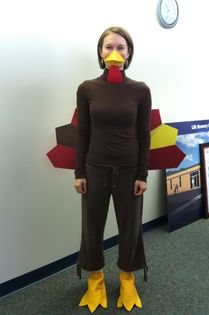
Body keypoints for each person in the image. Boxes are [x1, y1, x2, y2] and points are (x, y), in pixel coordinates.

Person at [74, 26, 152, 313]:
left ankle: (127, 279)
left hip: (130, 170)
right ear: (100, 52)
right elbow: (82, 133)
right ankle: (95, 281)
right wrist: (79, 172)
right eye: (109, 47)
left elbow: (145, 135)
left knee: (130, 228)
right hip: (94, 169)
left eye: (121, 47)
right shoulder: (87, 89)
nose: (114, 52)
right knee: (91, 227)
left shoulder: (141, 90)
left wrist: (143, 174)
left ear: (129, 53)